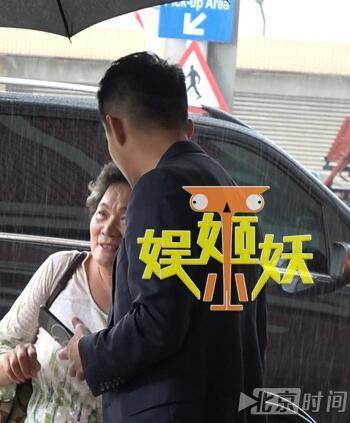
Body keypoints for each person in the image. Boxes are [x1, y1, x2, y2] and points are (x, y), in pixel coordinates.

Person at [60, 52, 267, 422]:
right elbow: (251, 327)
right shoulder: (230, 190)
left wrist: (89, 353)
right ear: (184, 123)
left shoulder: (159, 187)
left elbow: (158, 321)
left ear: (115, 127)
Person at [0, 162, 130, 422]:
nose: (108, 228)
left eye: (125, 218)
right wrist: (9, 364)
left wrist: (95, 356)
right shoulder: (61, 269)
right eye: (102, 214)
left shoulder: (151, 298)